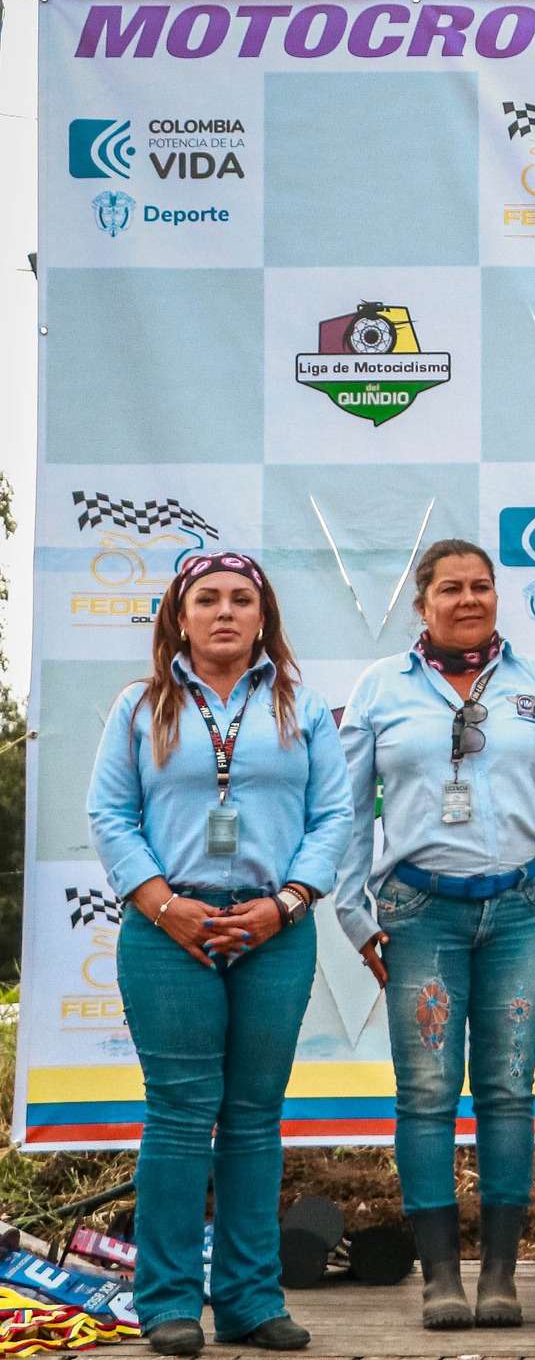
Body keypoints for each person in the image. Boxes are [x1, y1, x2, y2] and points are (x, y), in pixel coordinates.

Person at [86, 551, 351, 1356]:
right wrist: (167, 908)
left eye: (243, 599)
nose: (226, 611)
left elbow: (334, 815)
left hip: (275, 932)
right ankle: (166, 1303)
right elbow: (110, 815)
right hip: (169, 933)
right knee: (177, 1117)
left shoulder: (299, 706)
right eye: (209, 599)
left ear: (263, 617)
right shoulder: (140, 706)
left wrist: (286, 904)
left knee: (252, 1120)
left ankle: (247, 1302)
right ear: (181, 614)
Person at [335, 540, 535, 1332]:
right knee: (425, 1096)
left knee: (507, 1090)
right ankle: (440, 1278)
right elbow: (349, 810)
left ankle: (500, 1277)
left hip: (524, 909)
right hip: (420, 914)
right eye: (450, 589)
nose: (468, 599)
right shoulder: (380, 689)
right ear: (422, 604)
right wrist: (353, 913)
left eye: (482, 586)